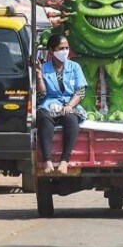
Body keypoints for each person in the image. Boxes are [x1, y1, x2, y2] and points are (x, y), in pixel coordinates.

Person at [36, 34, 88, 174]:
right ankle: (47, 160)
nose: (65, 51)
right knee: (43, 118)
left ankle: (64, 160)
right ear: (52, 51)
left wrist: (70, 106)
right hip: (50, 104)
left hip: (70, 104)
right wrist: (39, 77)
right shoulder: (44, 68)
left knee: (71, 118)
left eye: (66, 48)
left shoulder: (74, 67)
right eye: (61, 48)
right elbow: (41, 95)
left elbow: (80, 91)